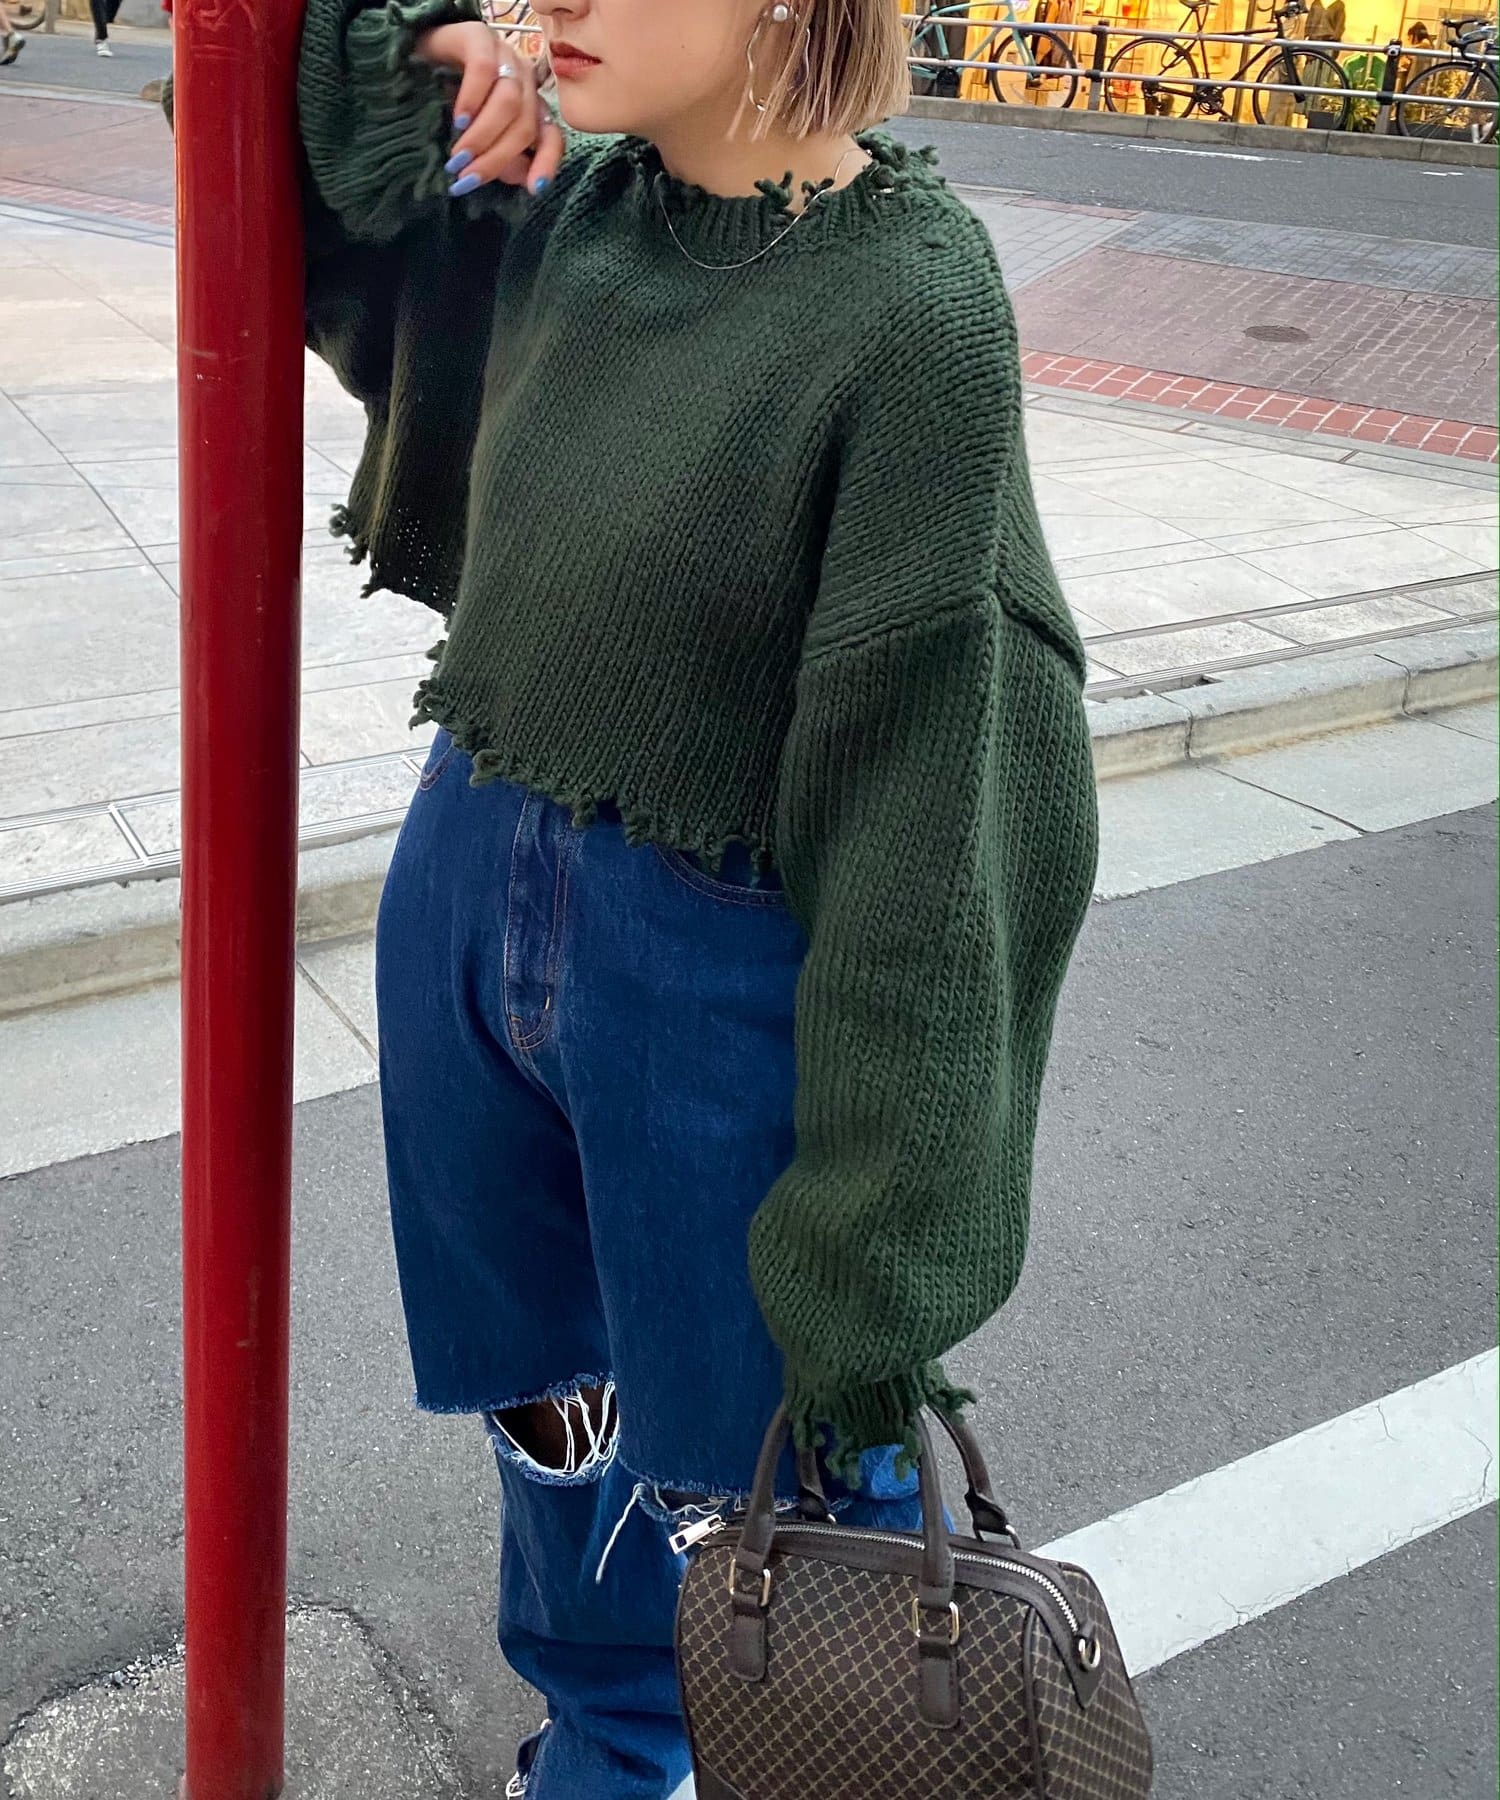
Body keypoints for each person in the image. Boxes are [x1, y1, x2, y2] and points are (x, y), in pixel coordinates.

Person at [296, 0, 1099, 1793]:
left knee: (765, 1474)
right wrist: (432, 48)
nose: (563, 2)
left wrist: (876, 1255)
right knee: (556, 1431)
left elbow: (933, 817)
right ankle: (605, 1746)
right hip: (469, 895)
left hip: (704, 973)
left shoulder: (910, 304)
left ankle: (813, 1751)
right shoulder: (569, 212)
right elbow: (308, 139)